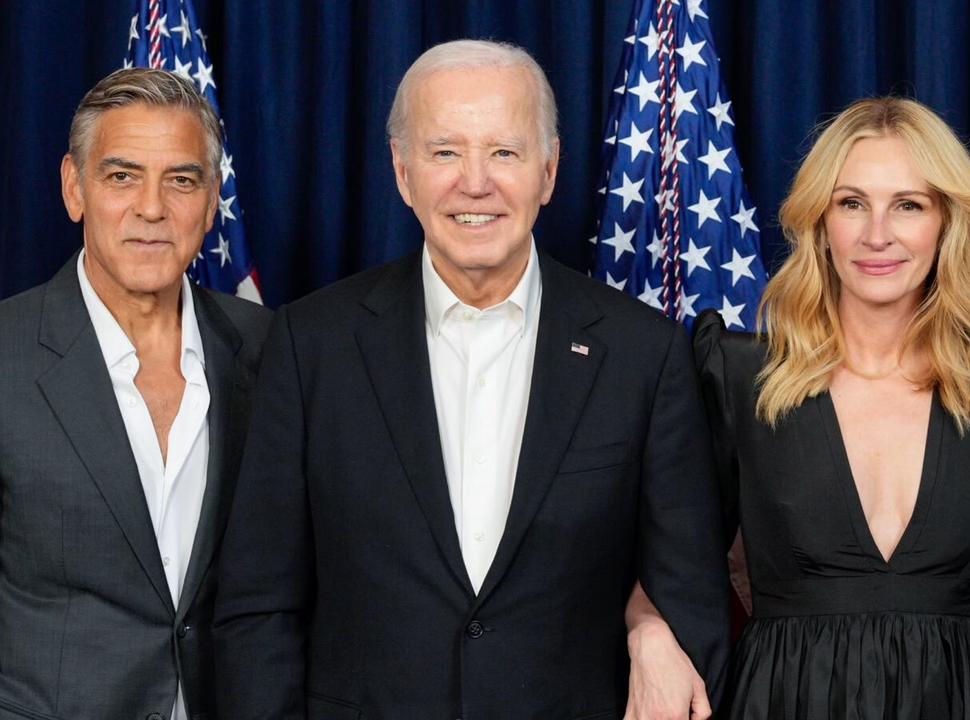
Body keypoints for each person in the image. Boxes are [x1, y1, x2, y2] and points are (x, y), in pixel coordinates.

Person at [212, 39, 731, 719]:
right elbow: (257, 607)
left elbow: (691, 595)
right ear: (403, 173)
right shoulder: (312, 344)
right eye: (445, 152)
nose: (475, 182)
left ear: (548, 171)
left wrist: (654, 627)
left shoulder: (644, 354)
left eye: (505, 152)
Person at [691, 96, 970, 718]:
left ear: (947, 223)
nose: (877, 234)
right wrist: (649, 635)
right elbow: (666, 560)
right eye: (851, 203)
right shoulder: (739, 375)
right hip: (785, 699)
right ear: (819, 221)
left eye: (908, 205)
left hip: (966, 700)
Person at [0, 68, 271, 720]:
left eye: (181, 180)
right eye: (122, 176)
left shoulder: (269, 348)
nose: (152, 207)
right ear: (75, 188)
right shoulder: (6, 353)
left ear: (210, 203)